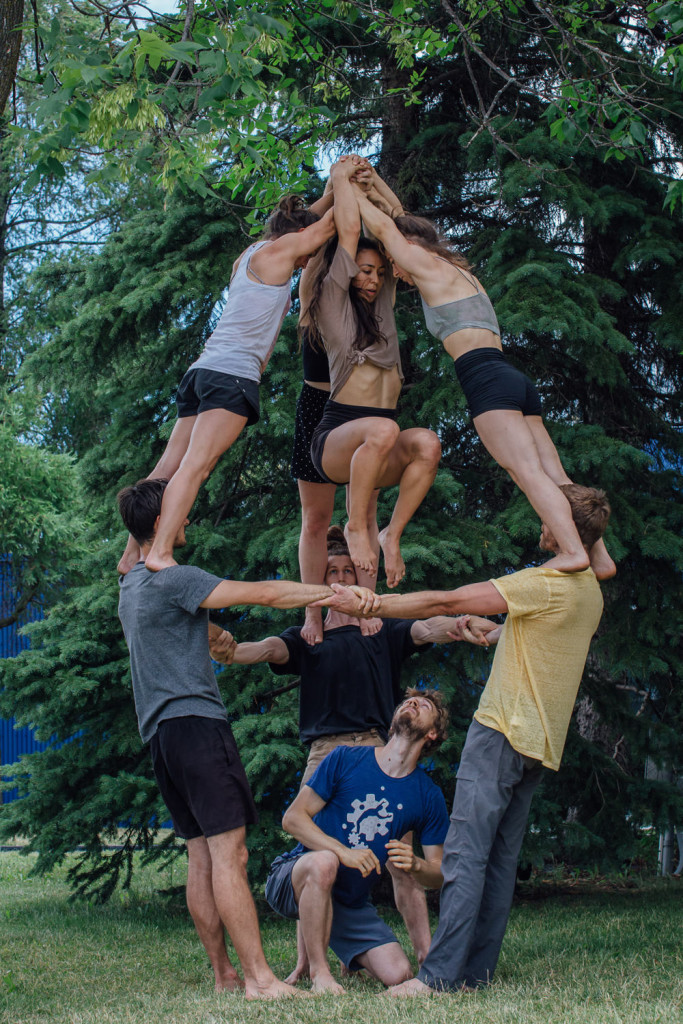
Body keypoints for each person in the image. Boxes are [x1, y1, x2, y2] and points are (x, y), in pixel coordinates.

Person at [318, 483, 611, 994]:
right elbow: (548, 632)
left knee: (465, 856)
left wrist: (376, 606)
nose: (539, 520)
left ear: (563, 522)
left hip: (501, 733)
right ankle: (474, 974)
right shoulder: (590, 589)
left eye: (547, 512)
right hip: (539, 745)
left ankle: (437, 977)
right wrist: (498, 632)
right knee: (498, 861)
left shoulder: (544, 582)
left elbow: (448, 598)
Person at [116, 477, 359, 1000]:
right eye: (180, 512)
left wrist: (211, 634)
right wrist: (336, 593)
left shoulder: (131, 586)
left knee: (201, 855)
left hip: (161, 737)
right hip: (197, 726)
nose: (188, 519)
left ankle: (226, 974)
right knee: (232, 856)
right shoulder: (171, 577)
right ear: (160, 524)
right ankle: (260, 980)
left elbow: (177, 631)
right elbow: (267, 594)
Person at [210, 525, 485, 973]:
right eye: (330, 571)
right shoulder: (308, 635)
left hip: (381, 749)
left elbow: (427, 625)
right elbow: (264, 651)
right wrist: (231, 650)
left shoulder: (382, 630)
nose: (339, 578)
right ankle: (305, 965)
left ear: (361, 582)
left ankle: (425, 953)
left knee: (402, 860)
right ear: (319, 581)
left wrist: (456, 625)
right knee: (314, 856)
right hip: (326, 754)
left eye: (348, 571)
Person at [351, 190, 616, 581]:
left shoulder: (421, 262)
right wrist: (372, 183)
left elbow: (388, 229)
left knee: (526, 473)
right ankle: (600, 557)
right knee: (558, 477)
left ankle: (574, 552)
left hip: (487, 382)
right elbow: (400, 218)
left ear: (408, 249)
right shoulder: (457, 272)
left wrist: (350, 190)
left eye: (393, 263)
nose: (397, 272)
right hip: (514, 381)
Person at [117, 193, 336, 577]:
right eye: (306, 250)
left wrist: (333, 186)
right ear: (295, 236)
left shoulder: (250, 255)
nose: (308, 260)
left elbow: (306, 222)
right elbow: (325, 227)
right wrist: (350, 185)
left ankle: (130, 553)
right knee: (196, 467)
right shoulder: (279, 252)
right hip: (230, 377)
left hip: (202, 371)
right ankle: (160, 551)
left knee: (167, 467)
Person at [303, 158, 442, 588]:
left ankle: (390, 535)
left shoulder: (381, 306)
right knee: (383, 430)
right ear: (347, 272)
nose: (373, 279)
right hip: (337, 435)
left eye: (380, 273)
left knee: (426, 442)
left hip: (375, 440)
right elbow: (348, 230)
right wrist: (341, 180)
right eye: (365, 271)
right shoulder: (331, 300)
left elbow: (395, 229)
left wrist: (374, 181)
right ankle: (355, 526)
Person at [264, 690, 451, 993]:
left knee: (398, 973)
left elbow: (439, 873)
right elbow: (293, 818)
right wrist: (343, 852)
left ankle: (341, 949)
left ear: (433, 733)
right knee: (325, 862)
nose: (411, 703)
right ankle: (320, 974)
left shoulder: (427, 795)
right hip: (293, 876)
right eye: (407, 702)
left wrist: (417, 865)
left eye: (423, 705)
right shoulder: (344, 758)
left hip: (348, 904)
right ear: (392, 721)